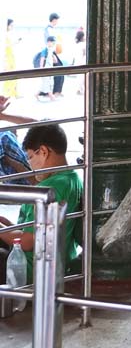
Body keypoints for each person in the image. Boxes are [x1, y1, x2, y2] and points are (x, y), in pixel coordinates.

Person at [0, 123, 82, 287]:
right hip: (58, 262)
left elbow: (28, 242)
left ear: (43, 152)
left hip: (32, 270)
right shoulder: (73, 179)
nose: (29, 164)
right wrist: (7, 226)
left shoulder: (48, 189)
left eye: (30, 157)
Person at [2, 19, 18, 99]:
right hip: (7, 57)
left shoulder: (7, 34)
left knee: (13, 73)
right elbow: (6, 46)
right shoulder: (4, 35)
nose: (12, 27)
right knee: (9, 73)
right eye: (11, 25)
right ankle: (8, 93)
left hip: (10, 56)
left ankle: (13, 92)